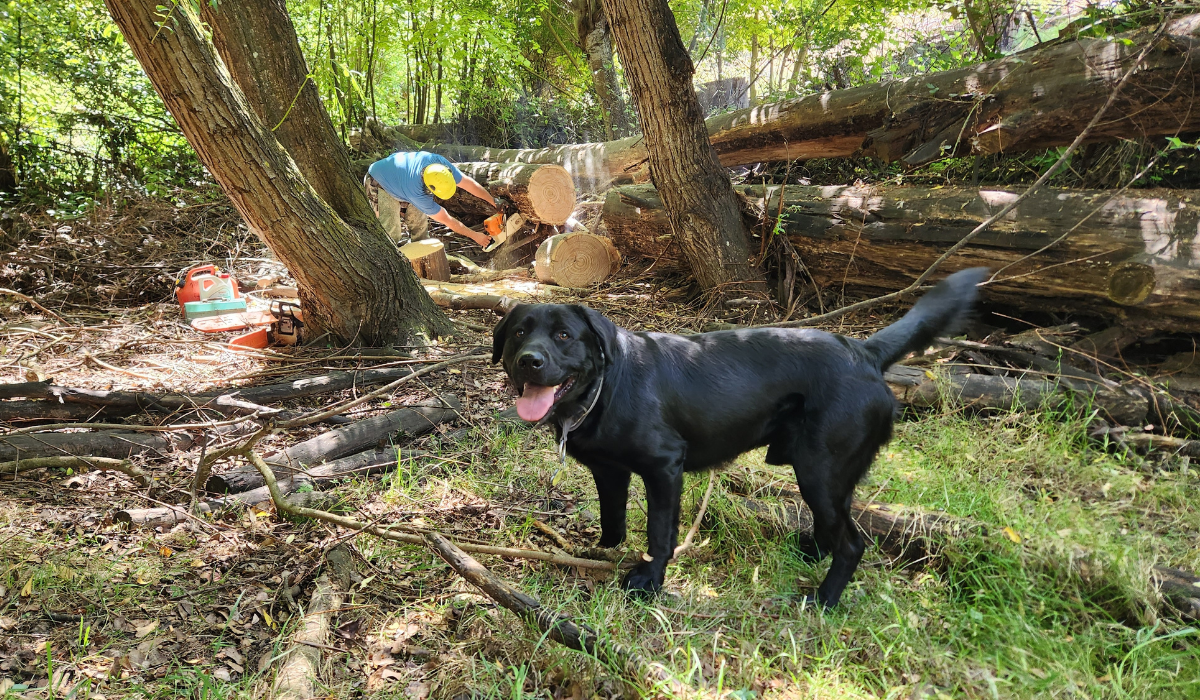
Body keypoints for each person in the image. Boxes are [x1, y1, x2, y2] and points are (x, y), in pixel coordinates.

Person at [363, 151, 498, 248]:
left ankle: (421, 261)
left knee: (420, 227)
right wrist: (475, 236)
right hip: (379, 182)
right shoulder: (417, 193)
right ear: (428, 189)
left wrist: (494, 201)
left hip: (399, 178)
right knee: (392, 232)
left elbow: (469, 184)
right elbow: (447, 219)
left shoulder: (440, 164)